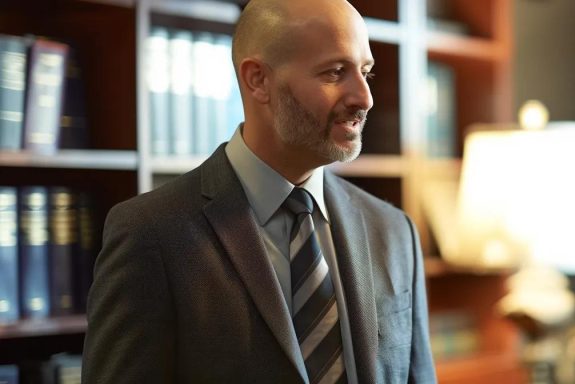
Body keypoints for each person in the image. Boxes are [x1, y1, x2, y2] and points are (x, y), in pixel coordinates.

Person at [82, 0, 435, 383]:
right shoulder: (150, 234)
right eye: (335, 72)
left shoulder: (395, 231)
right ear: (258, 80)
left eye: (365, 72)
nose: (364, 97)